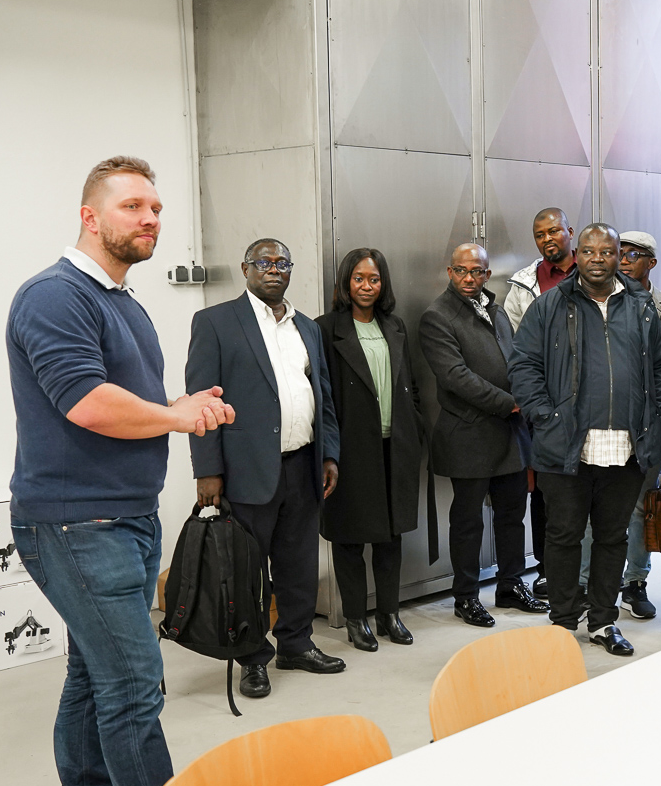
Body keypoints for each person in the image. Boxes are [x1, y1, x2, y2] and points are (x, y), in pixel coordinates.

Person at [7, 156, 233, 786]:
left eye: (156, 208)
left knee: (93, 675)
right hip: (76, 522)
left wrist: (178, 406)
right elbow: (87, 403)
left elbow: (126, 402)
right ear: (90, 215)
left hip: (124, 517)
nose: (150, 219)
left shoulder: (122, 301)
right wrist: (177, 419)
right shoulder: (54, 296)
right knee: (134, 684)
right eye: (133, 206)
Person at [186, 238, 345, 700]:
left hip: (303, 464)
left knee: (298, 565)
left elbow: (322, 396)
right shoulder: (215, 322)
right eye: (263, 262)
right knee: (248, 572)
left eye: (282, 263)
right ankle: (252, 658)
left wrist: (329, 454)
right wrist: (207, 470)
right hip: (246, 470)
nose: (273, 269)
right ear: (245, 269)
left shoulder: (306, 327)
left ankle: (296, 644)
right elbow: (202, 401)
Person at [509, 223, 661, 655]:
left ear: (619, 256)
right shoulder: (549, 305)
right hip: (566, 445)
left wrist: (659, 418)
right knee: (564, 536)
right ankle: (563, 622)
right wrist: (544, 416)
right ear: (577, 255)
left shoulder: (641, 306)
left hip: (626, 446)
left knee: (612, 537)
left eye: (607, 251)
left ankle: (603, 621)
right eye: (588, 251)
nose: (597, 259)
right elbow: (523, 365)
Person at [419, 243, 547, 628]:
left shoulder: (495, 309)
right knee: (468, 522)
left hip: (509, 435)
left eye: (477, 271)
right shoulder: (437, 316)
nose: (469, 277)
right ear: (450, 272)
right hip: (469, 433)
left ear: (487, 274)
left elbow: (515, 359)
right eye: (461, 270)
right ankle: (466, 596)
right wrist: (510, 403)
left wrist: (526, 393)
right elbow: (455, 377)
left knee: (512, 515)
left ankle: (510, 585)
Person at [316, 248, 424, 651]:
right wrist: (328, 451)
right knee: (349, 538)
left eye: (374, 279)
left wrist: (415, 426)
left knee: (390, 536)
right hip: (350, 449)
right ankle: (355, 618)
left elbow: (409, 381)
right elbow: (322, 395)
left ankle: (389, 614)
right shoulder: (325, 329)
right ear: (346, 283)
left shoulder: (394, 325)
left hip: (395, 446)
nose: (367, 286)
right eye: (359, 278)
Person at [575, 230, 661, 618]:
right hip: (597, 425)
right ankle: (588, 585)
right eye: (621, 253)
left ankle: (635, 582)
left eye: (634, 254)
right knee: (592, 510)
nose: (625, 260)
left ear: (651, 262)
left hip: (646, 427)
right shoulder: (592, 302)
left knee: (638, 508)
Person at [503, 208, 577, 598]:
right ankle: (547, 570)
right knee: (546, 490)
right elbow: (517, 348)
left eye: (554, 231)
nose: (547, 239)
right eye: (539, 234)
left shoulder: (594, 272)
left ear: (570, 231)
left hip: (592, 400)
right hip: (545, 406)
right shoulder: (524, 286)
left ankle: (592, 572)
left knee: (594, 487)